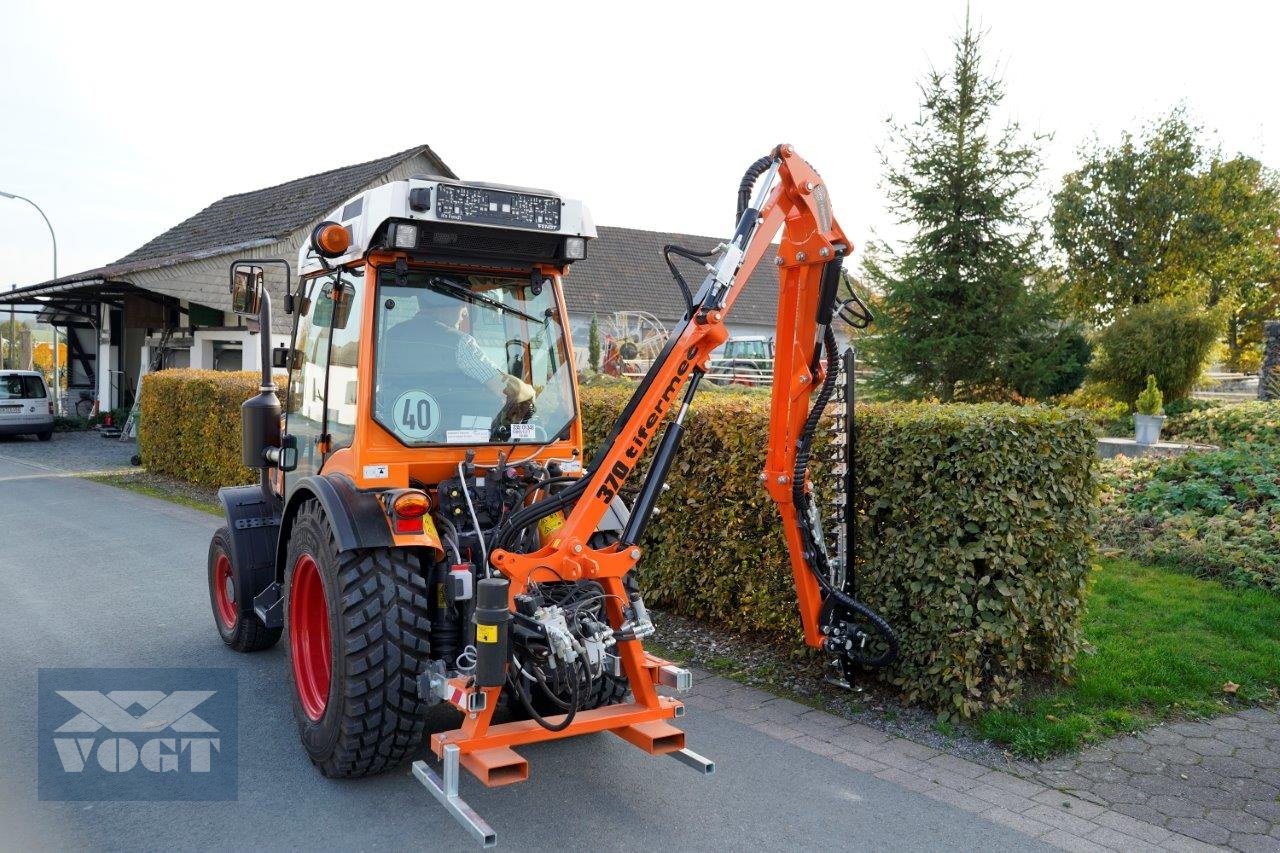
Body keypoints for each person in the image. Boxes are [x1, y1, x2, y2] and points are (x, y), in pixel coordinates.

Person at [386, 286, 535, 404]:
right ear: (445, 305)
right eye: (462, 306)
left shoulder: (391, 336)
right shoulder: (459, 342)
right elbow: (502, 387)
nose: (466, 314)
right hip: (449, 432)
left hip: (392, 426)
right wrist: (529, 391)